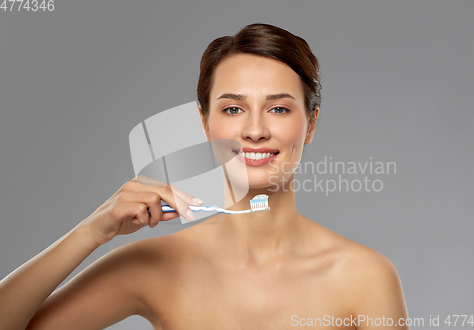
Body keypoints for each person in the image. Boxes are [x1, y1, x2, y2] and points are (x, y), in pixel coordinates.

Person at [0, 23, 409, 329]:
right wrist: (90, 232)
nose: (254, 130)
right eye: (233, 108)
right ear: (204, 122)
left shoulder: (363, 277)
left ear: (311, 123)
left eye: (279, 108)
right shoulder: (155, 266)